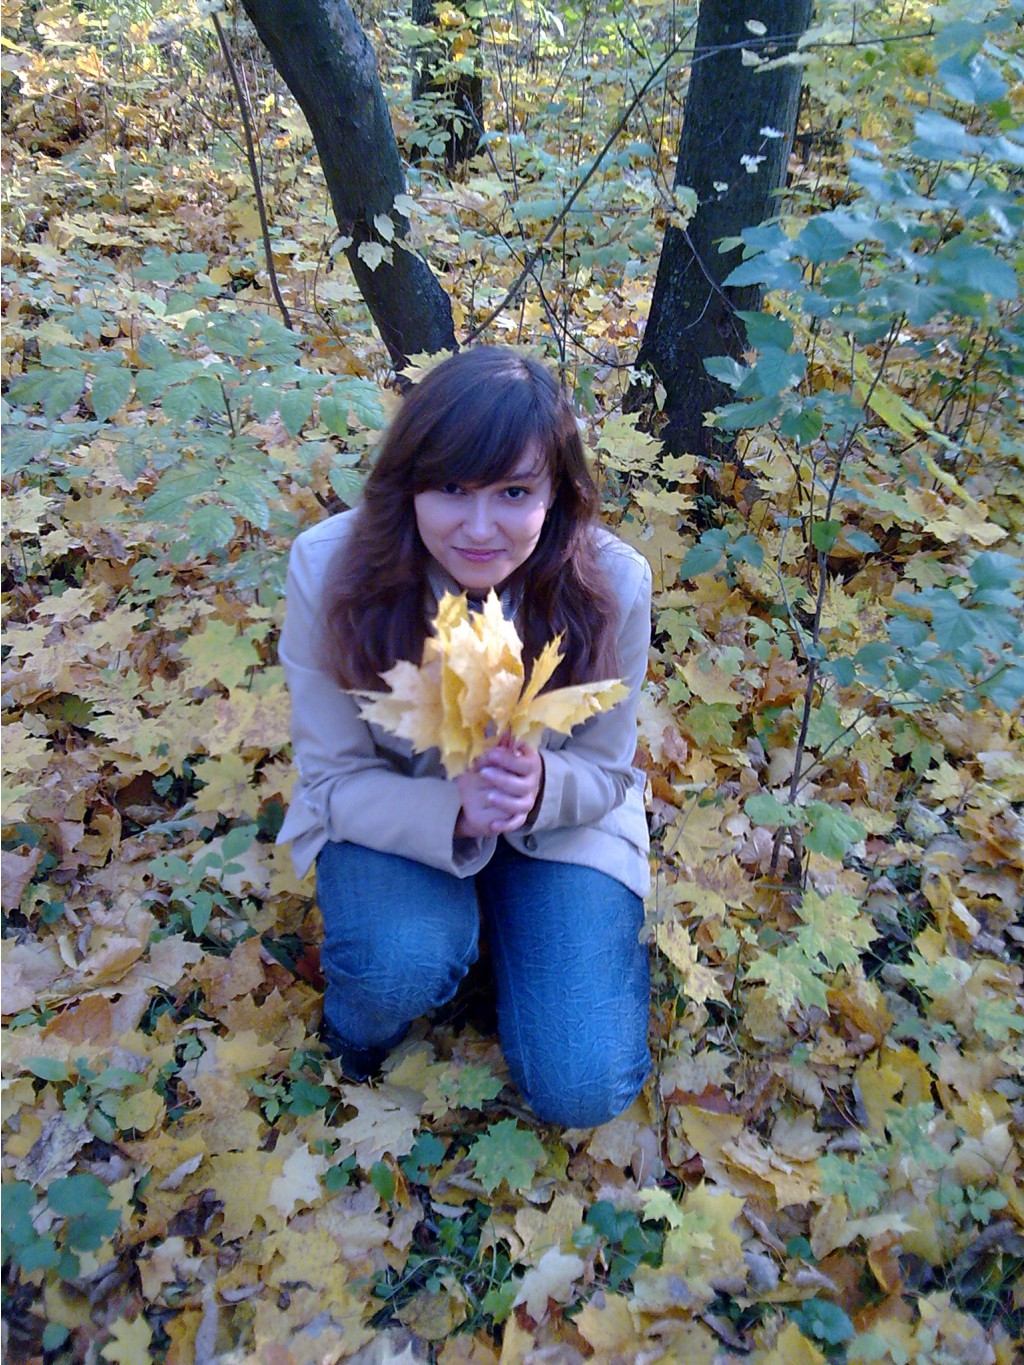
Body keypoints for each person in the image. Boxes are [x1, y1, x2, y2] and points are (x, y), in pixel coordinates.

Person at [277, 347, 652, 1128]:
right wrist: (453, 811)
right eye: (451, 488)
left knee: (584, 1084)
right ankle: (363, 1018)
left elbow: (608, 771)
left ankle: (512, 940)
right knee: (397, 962)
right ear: (410, 482)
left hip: (562, 831)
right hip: (399, 816)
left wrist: (543, 788)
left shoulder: (613, 582)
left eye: (514, 492)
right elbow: (333, 780)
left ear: (557, 492)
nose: (479, 528)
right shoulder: (330, 567)